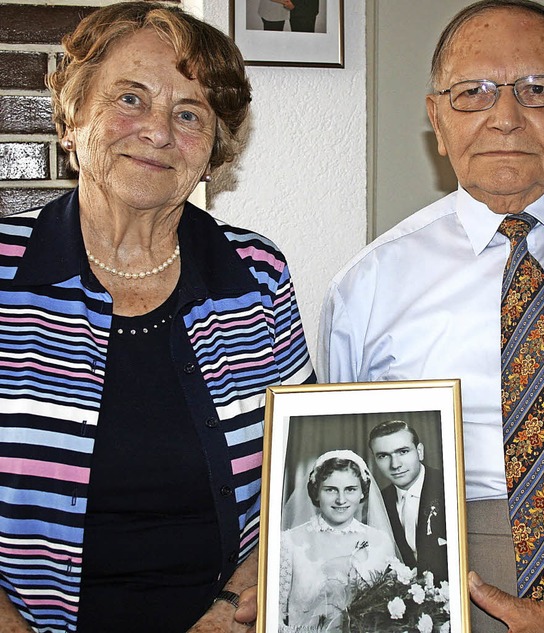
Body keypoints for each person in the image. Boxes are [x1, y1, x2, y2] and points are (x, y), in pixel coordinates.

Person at [319, 1, 544, 632]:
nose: (506, 117)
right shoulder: (368, 287)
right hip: (444, 588)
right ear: (436, 118)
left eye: (537, 90)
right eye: (474, 93)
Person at [0, 3, 314, 632]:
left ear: (213, 151)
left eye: (189, 114)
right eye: (131, 99)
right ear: (72, 119)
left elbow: (300, 477)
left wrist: (232, 609)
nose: (158, 132)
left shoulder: (256, 273)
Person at [279, 450, 397, 632]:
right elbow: (275, 617)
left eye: (350, 489)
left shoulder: (380, 542)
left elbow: (390, 615)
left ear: (362, 493)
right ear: (316, 492)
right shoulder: (289, 542)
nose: (341, 500)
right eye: (330, 490)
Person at [369, 420, 448, 584]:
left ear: (420, 452)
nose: (395, 465)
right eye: (383, 456)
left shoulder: (448, 486)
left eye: (403, 452)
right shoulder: (379, 502)